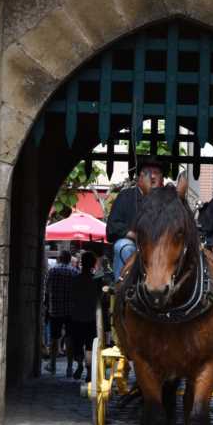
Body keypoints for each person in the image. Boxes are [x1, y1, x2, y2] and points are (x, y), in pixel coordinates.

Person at [106, 155, 165, 281]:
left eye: (156, 173)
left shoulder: (168, 200)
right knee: (123, 246)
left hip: (161, 248)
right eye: (148, 173)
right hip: (133, 245)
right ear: (139, 177)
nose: (152, 177)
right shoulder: (125, 196)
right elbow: (112, 226)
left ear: (162, 179)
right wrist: (132, 234)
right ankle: (123, 289)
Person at [68, 251, 100, 382]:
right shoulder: (97, 281)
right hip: (91, 318)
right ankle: (89, 372)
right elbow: (101, 298)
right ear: (92, 264)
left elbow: (71, 298)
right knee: (89, 346)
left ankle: (80, 365)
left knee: (77, 344)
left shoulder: (75, 280)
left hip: (77, 317)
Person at [44, 249, 76, 376]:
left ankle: (52, 365)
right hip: (70, 311)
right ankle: (69, 367)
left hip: (55, 310)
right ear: (69, 259)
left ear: (59, 258)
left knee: (54, 338)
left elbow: (46, 290)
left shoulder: (52, 271)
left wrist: (46, 307)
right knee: (69, 338)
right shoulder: (74, 272)